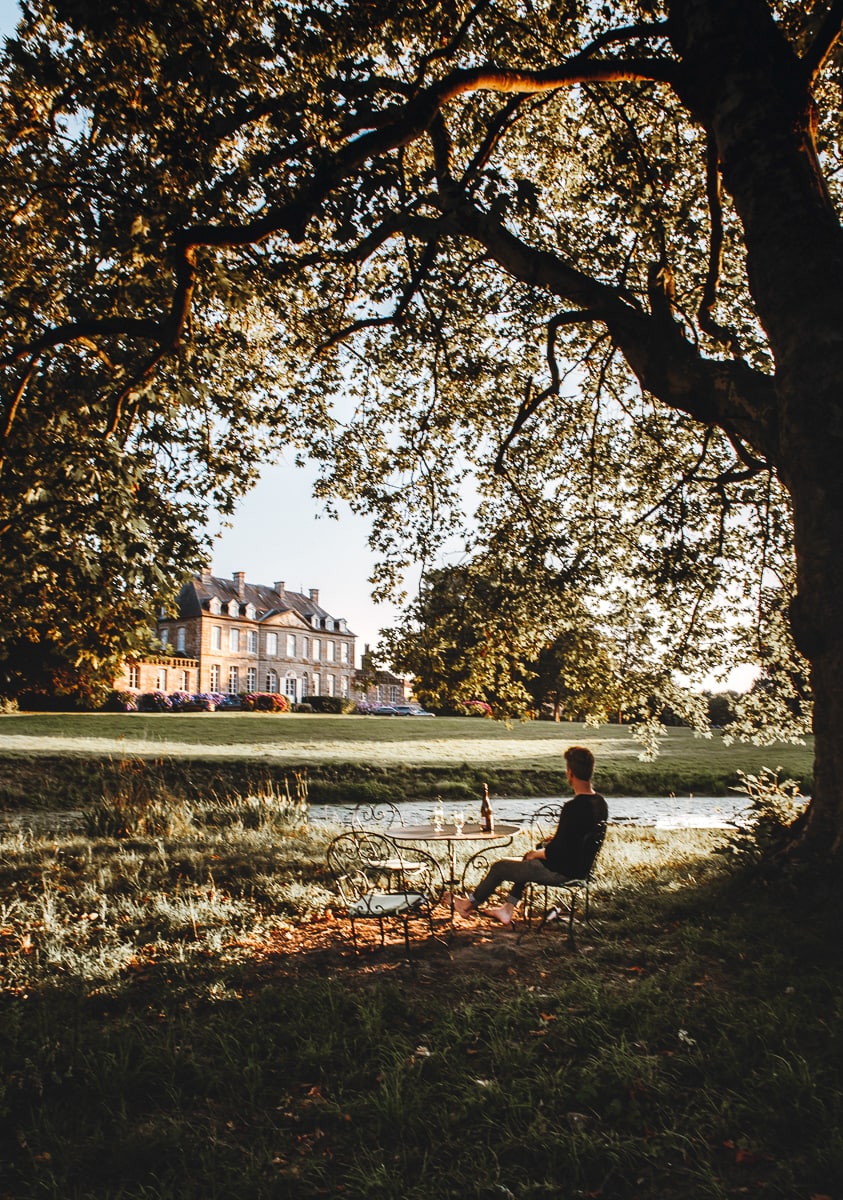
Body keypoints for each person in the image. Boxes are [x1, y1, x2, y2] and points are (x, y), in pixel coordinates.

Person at [445, 745, 608, 925]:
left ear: (570, 773)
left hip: (562, 871)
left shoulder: (573, 807)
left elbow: (556, 852)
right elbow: (577, 839)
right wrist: (549, 845)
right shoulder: (600, 802)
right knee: (526, 858)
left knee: (500, 867)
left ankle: (468, 905)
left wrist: (537, 853)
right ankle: (507, 910)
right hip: (582, 868)